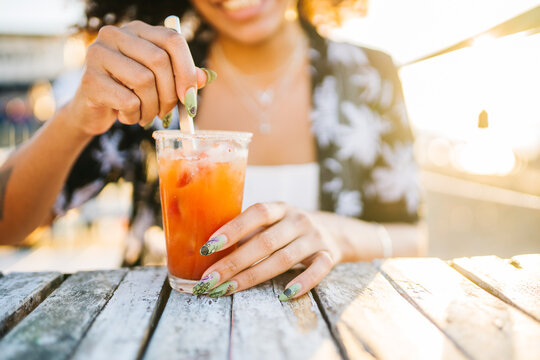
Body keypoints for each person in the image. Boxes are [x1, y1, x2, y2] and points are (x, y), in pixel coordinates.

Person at [0, 0, 425, 300]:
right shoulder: (149, 82)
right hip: (159, 325)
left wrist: (339, 235)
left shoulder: (370, 76)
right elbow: (7, 226)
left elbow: (413, 239)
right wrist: (76, 116)